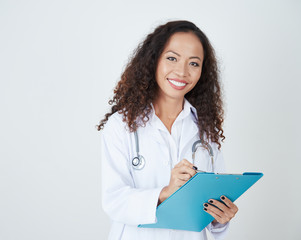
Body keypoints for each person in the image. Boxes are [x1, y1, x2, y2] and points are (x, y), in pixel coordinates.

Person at [96, 20, 238, 240]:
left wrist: (220, 217)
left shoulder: (205, 129)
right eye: (172, 58)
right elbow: (114, 201)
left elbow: (211, 204)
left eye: (194, 63)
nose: (182, 71)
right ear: (154, 61)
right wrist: (164, 193)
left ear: (203, 71)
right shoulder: (121, 125)